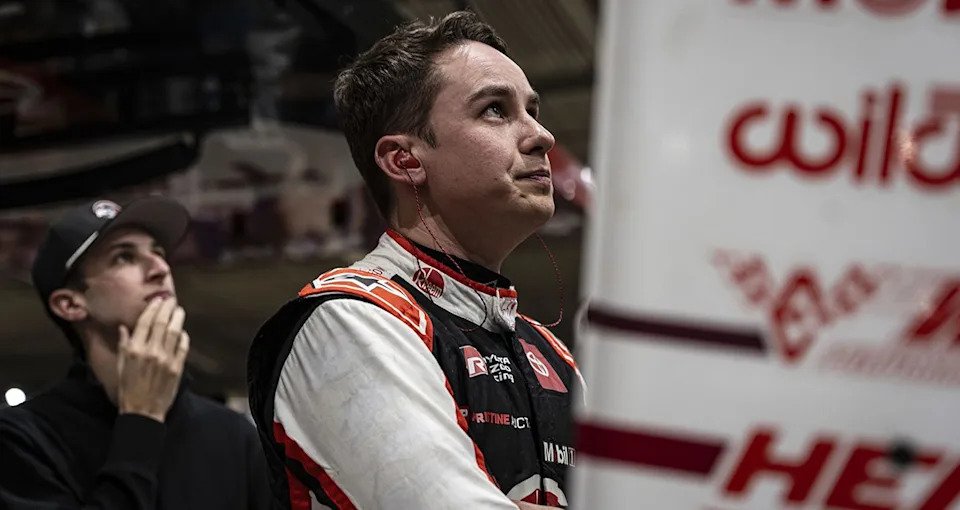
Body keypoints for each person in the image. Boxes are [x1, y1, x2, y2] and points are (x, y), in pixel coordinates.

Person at [247, 11, 584, 509]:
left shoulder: (551, 352)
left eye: (533, 110)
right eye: (495, 110)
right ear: (405, 160)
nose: (541, 135)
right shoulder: (348, 320)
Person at [0, 196, 273, 509]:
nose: (160, 268)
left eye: (157, 252)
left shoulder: (232, 436)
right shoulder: (23, 440)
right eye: (123, 257)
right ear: (71, 303)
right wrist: (140, 421)